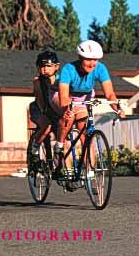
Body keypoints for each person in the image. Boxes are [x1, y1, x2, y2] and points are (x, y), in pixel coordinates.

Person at [52, 40, 124, 171]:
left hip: (83, 97)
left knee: (86, 134)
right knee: (68, 116)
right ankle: (59, 146)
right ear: (80, 58)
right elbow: (63, 97)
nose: (92, 63)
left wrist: (117, 108)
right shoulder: (68, 69)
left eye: (95, 60)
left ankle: (90, 173)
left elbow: (110, 94)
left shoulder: (100, 68)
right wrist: (67, 108)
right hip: (63, 94)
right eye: (88, 59)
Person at [29, 51, 61, 160]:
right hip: (39, 108)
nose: (45, 69)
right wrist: (47, 114)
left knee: (62, 134)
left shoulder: (61, 80)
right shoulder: (37, 81)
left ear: (56, 67)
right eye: (42, 66)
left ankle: (59, 165)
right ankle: (35, 146)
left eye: (48, 66)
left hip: (55, 109)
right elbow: (40, 100)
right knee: (46, 126)